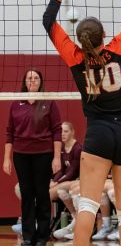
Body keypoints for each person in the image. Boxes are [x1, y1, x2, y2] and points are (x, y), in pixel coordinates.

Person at [43, 0, 121, 246]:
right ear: (104, 36)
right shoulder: (119, 48)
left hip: (98, 133)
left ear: (81, 39)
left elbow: (48, 21)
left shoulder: (75, 58)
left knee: (87, 205)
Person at [2, 69, 62, 246]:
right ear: (25, 82)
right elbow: (9, 133)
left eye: (36, 78)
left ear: (40, 82)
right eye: (29, 78)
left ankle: (43, 235)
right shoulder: (16, 104)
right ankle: (28, 236)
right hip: (21, 155)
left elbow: (57, 130)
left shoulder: (49, 103)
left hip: (44, 154)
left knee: (42, 194)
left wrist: (57, 157)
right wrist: (7, 158)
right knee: (27, 194)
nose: (33, 80)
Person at [50, 121, 82, 201]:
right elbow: (61, 170)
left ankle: (74, 213)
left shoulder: (78, 149)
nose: (62, 134)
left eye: (66, 131)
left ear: (72, 132)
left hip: (76, 180)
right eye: (61, 132)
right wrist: (54, 181)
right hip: (65, 179)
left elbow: (73, 172)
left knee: (50, 192)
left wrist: (57, 183)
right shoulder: (62, 147)